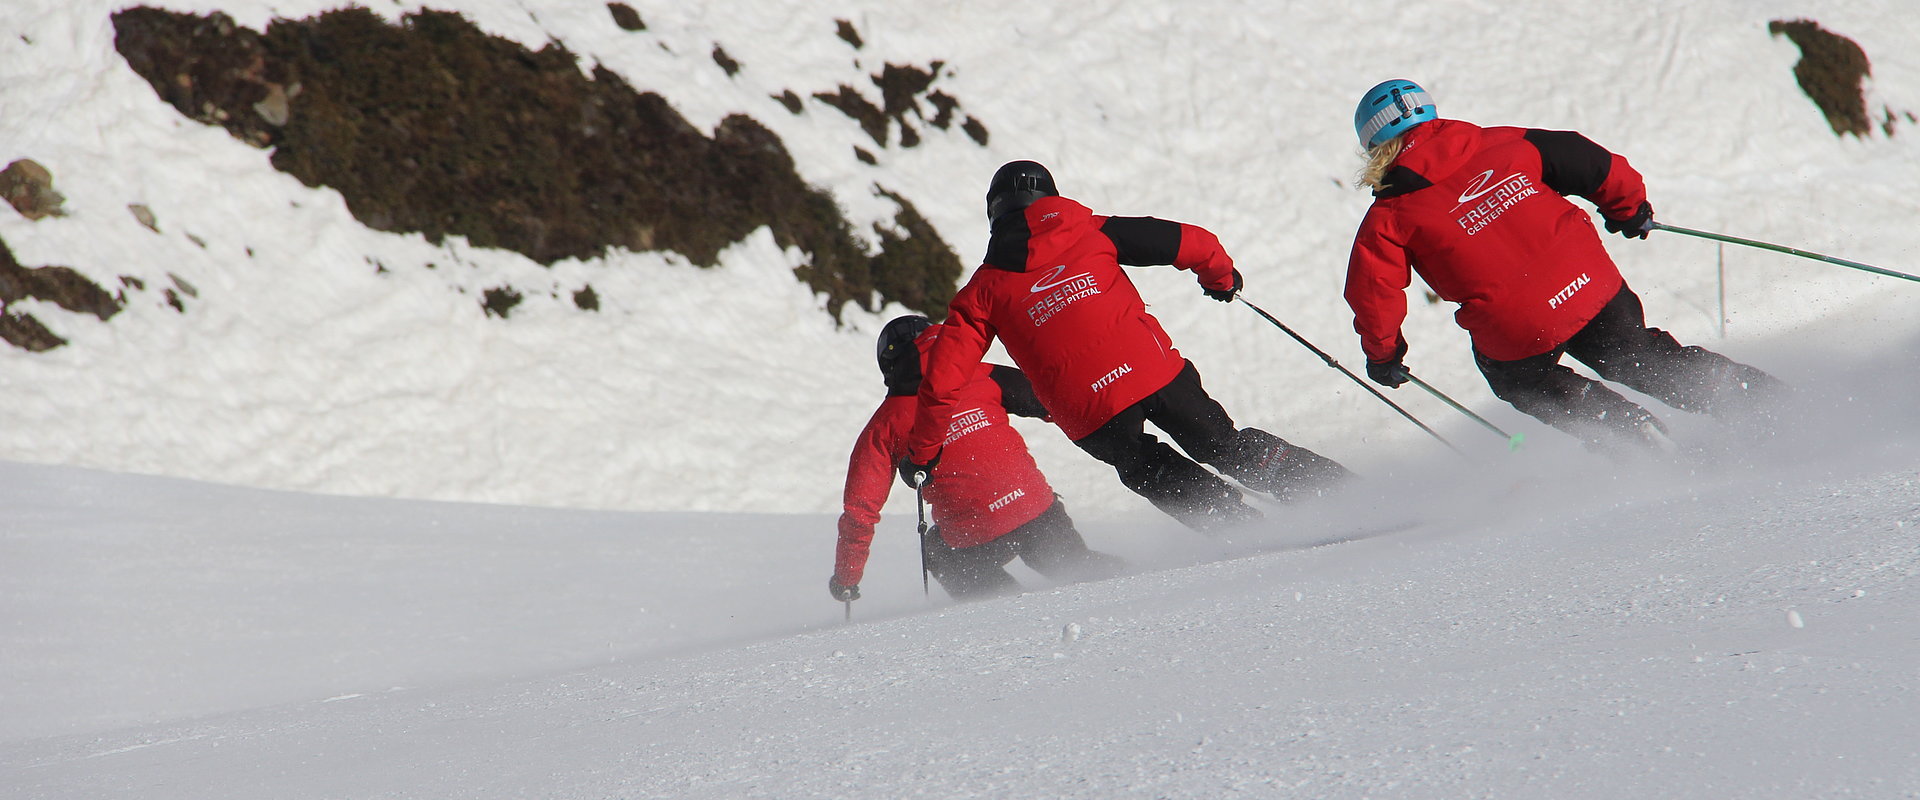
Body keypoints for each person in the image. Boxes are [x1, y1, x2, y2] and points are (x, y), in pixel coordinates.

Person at [899, 161, 1351, 533]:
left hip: (1088, 411)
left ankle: (1241, 529)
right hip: (1154, 373)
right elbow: (1193, 242)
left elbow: (942, 383)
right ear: (1051, 197)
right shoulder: (1095, 232)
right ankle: (1336, 496)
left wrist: (922, 455)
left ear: (994, 215)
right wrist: (1220, 277)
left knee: (1145, 467)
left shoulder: (982, 292)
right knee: (1221, 444)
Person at [1343, 79, 1783, 453]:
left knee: (1521, 381)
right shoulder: (1506, 142)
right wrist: (1628, 209)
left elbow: (1373, 295)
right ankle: (1762, 402)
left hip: (1516, 328)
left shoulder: (1389, 217)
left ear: (1375, 146)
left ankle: (1634, 439)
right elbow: (1593, 162)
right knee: (1637, 357)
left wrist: (1384, 355)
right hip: (1590, 285)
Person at [832, 314, 1126, 603]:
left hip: (972, 538)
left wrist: (846, 579)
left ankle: (1001, 611)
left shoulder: (884, 425)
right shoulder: (982, 375)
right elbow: (1052, 399)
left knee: (937, 549)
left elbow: (860, 514)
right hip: (1035, 510)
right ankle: (1140, 580)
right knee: (1077, 568)